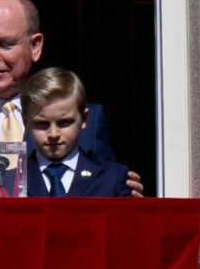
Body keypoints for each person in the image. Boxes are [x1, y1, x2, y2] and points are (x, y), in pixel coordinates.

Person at [0, 0, 144, 195]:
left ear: (35, 46)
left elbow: (103, 186)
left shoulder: (91, 119)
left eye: (5, 44)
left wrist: (124, 199)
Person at [21, 67, 131, 197]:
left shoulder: (112, 178)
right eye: (42, 124)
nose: (53, 134)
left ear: (84, 118)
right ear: (25, 121)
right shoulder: (12, 180)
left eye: (64, 122)